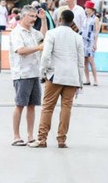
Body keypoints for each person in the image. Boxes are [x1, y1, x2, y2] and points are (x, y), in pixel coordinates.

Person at [29, 9, 84, 149]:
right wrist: (80, 82)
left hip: (55, 76)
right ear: (72, 22)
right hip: (72, 77)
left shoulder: (51, 33)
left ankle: (42, 139)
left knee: (47, 107)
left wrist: (43, 73)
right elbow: (80, 61)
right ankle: (61, 139)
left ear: (60, 19)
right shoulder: (77, 37)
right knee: (66, 108)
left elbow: (46, 55)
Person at [9, 5, 48, 146]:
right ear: (23, 16)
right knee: (20, 104)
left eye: (35, 16)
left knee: (32, 105)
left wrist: (43, 21)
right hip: (22, 73)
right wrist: (38, 48)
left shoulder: (32, 31)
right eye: (31, 16)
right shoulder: (16, 33)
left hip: (34, 72)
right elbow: (21, 50)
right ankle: (16, 136)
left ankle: (30, 136)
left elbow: (43, 36)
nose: (33, 19)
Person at [82, 1, 100, 86]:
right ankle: (87, 79)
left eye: (88, 8)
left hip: (90, 41)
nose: (86, 10)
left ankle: (95, 79)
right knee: (85, 61)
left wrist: (95, 43)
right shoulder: (85, 18)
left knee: (91, 60)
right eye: (85, 8)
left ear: (92, 9)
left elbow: (96, 31)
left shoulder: (95, 19)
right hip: (83, 41)